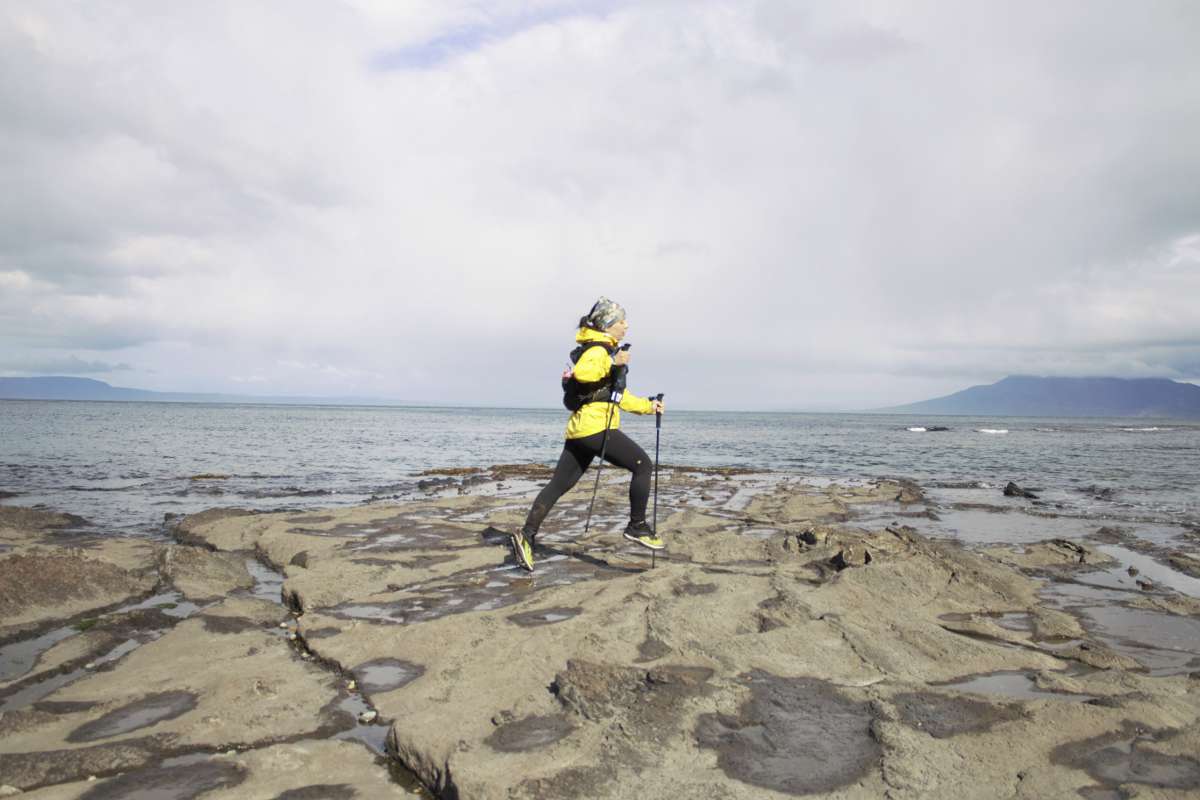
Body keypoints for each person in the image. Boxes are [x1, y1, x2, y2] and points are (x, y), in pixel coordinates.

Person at [510, 297, 666, 572]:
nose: (626, 325)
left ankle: (527, 537)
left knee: (559, 485)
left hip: (581, 431)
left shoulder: (604, 350)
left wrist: (648, 406)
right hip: (596, 428)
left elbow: (618, 397)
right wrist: (612, 361)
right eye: (621, 321)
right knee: (642, 464)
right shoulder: (598, 350)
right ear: (608, 325)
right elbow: (584, 373)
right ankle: (637, 526)